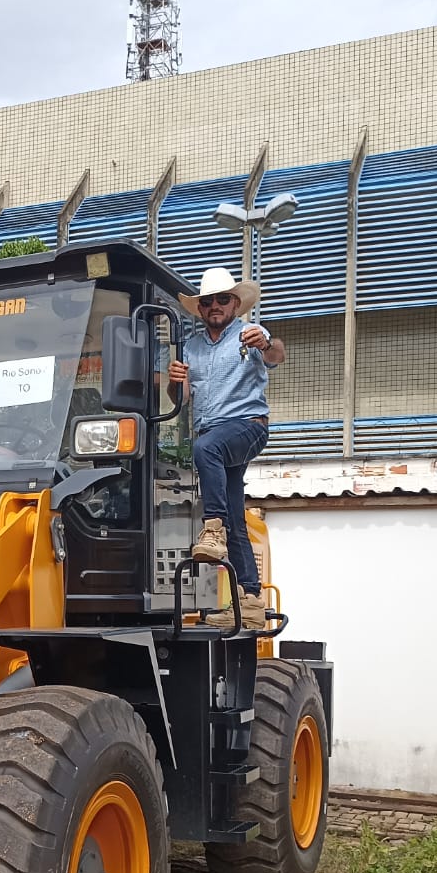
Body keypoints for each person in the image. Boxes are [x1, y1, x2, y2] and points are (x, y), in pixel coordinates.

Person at [167, 267, 286, 629]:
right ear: (201, 308)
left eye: (223, 299)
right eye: (208, 301)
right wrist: (175, 382)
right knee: (237, 516)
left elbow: (277, 356)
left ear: (235, 304)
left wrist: (265, 344)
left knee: (204, 448)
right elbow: (181, 399)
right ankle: (250, 600)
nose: (215, 306)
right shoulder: (191, 348)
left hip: (248, 426)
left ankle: (212, 529)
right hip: (215, 435)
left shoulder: (250, 333)